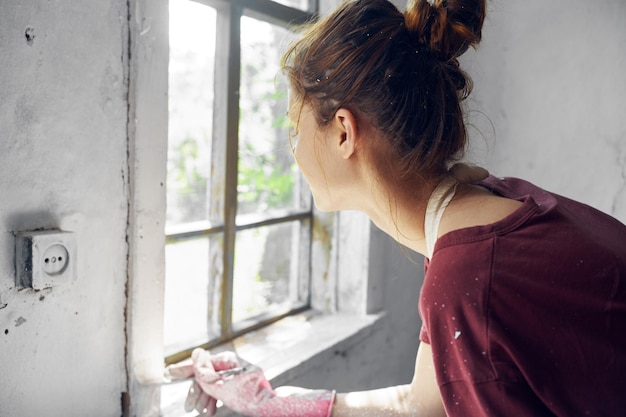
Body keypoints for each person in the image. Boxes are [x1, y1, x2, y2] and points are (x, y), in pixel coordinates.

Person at [166, 0, 626, 415]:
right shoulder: (479, 207)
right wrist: (270, 402)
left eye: (294, 127)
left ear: (343, 132)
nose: (293, 149)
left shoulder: (469, 274)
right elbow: (424, 402)